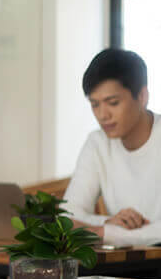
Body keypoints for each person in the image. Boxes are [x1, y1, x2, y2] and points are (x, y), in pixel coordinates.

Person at [63, 48, 161, 247]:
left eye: (113, 103)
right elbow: (68, 215)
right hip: (124, 262)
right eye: (94, 104)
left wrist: (104, 233)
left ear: (142, 97)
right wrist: (107, 222)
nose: (102, 115)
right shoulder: (97, 142)